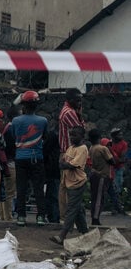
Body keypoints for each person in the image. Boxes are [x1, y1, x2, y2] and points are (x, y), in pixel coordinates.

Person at [11, 90, 48, 226]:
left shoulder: (16, 121)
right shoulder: (43, 121)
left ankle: (21, 217)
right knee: (38, 188)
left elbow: (14, 136)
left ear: (23, 106)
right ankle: (40, 217)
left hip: (20, 158)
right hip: (37, 158)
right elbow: (45, 137)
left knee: (21, 188)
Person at [51, 127, 90, 245]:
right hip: (68, 181)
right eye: (71, 135)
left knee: (71, 209)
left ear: (82, 137)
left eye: (75, 135)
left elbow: (71, 165)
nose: (72, 138)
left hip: (77, 182)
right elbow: (62, 163)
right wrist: (65, 164)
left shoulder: (82, 149)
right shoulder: (70, 148)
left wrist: (65, 164)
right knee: (76, 209)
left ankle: (62, 236)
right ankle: (85, 233)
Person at [57, 88, 85, 219]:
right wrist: (80, 116)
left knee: (67, 186)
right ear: (70, 100)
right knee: (69, 187)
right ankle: (67, 217)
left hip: (69, 152)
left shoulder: (71, 111)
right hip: (69, 152)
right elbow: (81, 130)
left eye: (81, 100)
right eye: (77, 100)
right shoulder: (69, 113)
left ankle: (68, 216)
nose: (80, 103)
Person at [87, 129, 114, 227]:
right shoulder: (103, 149)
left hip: (94, 173)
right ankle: (95, 218)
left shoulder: (91, 148)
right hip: (101, 175)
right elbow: (112, 161)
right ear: (99, 138)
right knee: (99, 198)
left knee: (94, 197)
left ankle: (95, 217)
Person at [108, 128, 127, 214]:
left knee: (117, 187)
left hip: (118, 168)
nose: (121, 136)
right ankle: (115, 207)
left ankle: (116, 207)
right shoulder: (109, 143)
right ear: (114, 136)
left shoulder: (123, 144)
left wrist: (114, 159)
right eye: (119, 135)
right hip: (110, 168)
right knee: (111, 188)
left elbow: (122, 159)